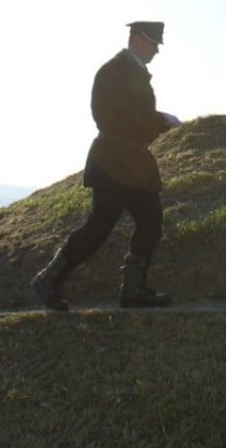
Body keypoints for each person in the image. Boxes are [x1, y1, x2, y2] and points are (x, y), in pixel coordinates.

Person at [31, 21, 181, 311]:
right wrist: (159, 119)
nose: (156, 51)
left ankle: (133, 289)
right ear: (137, 40)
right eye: (153, 43)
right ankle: (49, 278)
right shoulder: (113, 71)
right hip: (112, 160)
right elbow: (112, 117)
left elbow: (135, 118)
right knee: (99, 226)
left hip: (132, 162)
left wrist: (158, 123)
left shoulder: (132, 72)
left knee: (151, 221)